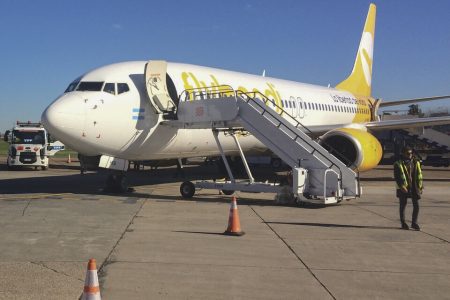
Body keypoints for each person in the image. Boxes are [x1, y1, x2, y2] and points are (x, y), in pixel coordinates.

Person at [394, 146, 423, 230]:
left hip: (414, 186)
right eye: (408, 153)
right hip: (404, 187)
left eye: (411, 153)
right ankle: (403, 223)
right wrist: (401, 186)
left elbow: (419, 174)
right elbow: (397, 176)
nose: (410, 155)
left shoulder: (415, 162)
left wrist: (420, 186)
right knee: (403, 205)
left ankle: (414, 223)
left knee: (416, 205)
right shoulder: (398, 163)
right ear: (403, 153)